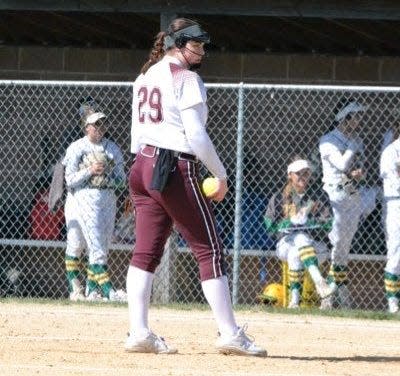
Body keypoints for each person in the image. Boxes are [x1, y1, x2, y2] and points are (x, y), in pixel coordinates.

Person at [126, 17, 266, 356]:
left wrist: (144, 171)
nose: (201, 49)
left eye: (203, 43)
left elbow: (137, 134)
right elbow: (196, 136)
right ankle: (230, 332)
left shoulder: (145, 74)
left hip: (142, 164)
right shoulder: (186, 77)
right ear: (177, 45)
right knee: (210, 250)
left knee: (145, 252)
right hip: (173, 165)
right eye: (195, 44)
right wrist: (220, 174)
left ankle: (139, 331)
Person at [63, 105, 127, 302]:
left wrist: (107, 174)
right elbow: (69, 179)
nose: (99, 127)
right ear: (86, 128)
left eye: (102, 123)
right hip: (82, 197)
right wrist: (90, 171)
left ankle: (92, 291)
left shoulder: (112, 148)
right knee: (78, 244)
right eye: (95, 124)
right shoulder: (76, 147)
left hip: (107, 197)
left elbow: (122, 180)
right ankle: (95, 289)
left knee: (102, 244)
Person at [319, 98, 376, 309]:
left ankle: (338, 296)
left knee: (344, 249)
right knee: (337, 246)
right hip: (335, 198)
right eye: (356, 115)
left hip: (353, 195)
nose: (359, 119)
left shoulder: (356, 140)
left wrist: (360, 173)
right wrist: (351, 147)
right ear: (345, 117)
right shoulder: (328, 140)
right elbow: (342, 164)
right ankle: (330, 297)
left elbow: (356, 169)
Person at [264, 157, 336, 308]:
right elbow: (269, 226)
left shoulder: (319, 196)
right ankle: (320, 282)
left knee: (297, 248)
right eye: (298, 173)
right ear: (290, 175)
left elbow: (329, 223)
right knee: (299, 239)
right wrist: (289, 223)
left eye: (306, 173)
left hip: (316, 245)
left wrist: (309, 223)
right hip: (285, 243)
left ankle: (294, 302)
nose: (303, 177)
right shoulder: (279, 197)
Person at [380, 110, 400, 314]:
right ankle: (393, 304)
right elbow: (395, 179)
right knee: (395, 251)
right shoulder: (391, 151)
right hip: (395, 204)